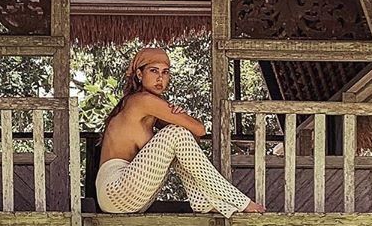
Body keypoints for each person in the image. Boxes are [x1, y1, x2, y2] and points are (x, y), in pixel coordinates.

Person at [95, 46, 265, 216]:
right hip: (115, 190)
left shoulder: (148, 109)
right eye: (153, 71)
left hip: (132, 197)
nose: (160, 78)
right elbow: (200, 129)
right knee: (175, 133)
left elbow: (192, 140)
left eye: (165, 72)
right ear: (140, 74)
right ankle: (238, 200)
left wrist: (180, 118)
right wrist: (181, 118)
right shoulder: (142, 100)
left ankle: (202, 201)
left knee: (177, 135)